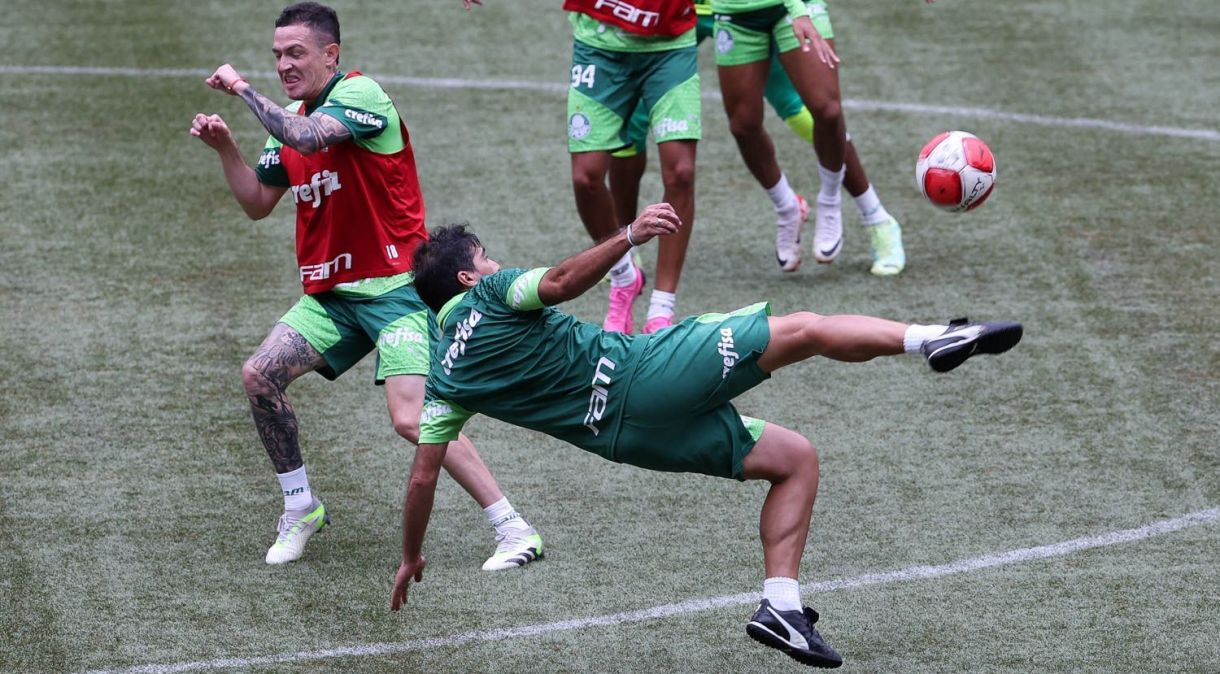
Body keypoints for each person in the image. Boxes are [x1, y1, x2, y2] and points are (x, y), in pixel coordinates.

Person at [390, 202, 1022, 667]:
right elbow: (558, 283)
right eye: (485, 259)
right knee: (803, 328)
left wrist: (412, 554)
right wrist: (629, 233)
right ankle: (930, 337)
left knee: (794, 459)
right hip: (645, 375)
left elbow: (423, 474)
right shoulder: (494, 295)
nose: (495, 263)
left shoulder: (445, 376)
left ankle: (782, 607)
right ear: (469, 279)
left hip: (630, 441)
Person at [189, 1, 542, 571]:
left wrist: (244, 90)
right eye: (277, 54)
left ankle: (514, 527)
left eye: (296, 52)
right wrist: (226, 148)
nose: (284, 63)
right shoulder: (288, 121)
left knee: (411, 418)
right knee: (260, 374)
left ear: (331, 54)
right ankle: (300, 505)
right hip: (333, 296)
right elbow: (258, 202)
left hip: (398, 289)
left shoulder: (360, 96)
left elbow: (306, 137)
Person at [610, 0, 905, 277]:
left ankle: (874, 215)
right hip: (679, 10)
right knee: (636, 115)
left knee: (810, 108)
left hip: (757, 8)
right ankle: (621, 248)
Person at [464, 0, 700, 334]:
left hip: (670, 45)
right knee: (586, 177)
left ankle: (662, 310)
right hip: (599, 46)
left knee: (681, 172)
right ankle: (623, 276)